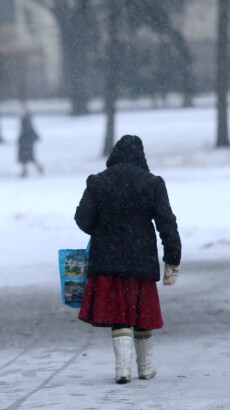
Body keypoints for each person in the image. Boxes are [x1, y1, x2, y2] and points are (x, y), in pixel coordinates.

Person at [74, 135, 181, 384]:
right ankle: (146, 368)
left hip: (107, 260)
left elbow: (82, 218)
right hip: (141, 260)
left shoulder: (98, 182)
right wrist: (173, 258)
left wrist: (102, 229)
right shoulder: (152, 183)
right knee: (142, 312)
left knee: (119, 314)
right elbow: (167, 223)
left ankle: (123, 369)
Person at [17, 108, 43, 177]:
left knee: (28, 157)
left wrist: (23, 139)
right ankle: (26, 171)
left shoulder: (25, 120)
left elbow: (27, 131)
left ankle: (26, 171)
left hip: (26, 142)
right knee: (29, 158)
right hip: (26, 141)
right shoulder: (26, 120)